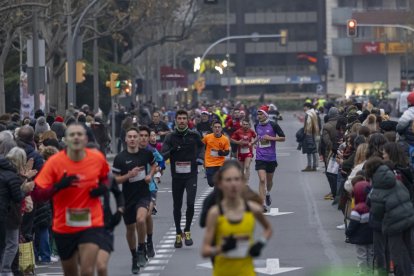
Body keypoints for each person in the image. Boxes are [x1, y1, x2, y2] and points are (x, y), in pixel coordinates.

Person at [33, 123, 110, 276]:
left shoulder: (96, 158)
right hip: (64, 225)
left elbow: (106, 179)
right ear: (66, 139)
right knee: (71, 272)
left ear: (86, 139)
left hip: (92, 222)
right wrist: (58, 186)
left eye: (79, 134)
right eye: (72, 134)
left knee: (87, 270)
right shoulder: (55, 162)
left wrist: (102, 188)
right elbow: (37, 194)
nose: (76, 137)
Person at [201, 160, 272, 276]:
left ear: (243, 182)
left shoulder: (253, 208)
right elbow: (205, 251)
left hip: (246, 272)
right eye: (228, 180)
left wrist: (260, 244)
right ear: (220, 183)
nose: (233, 184)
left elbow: (268, 229)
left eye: (236, 179)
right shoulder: (215, 212)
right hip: (222, 271)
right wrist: (222, 248)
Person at [112, 126, 157, 273]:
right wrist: (128, 176)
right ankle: (134, 258)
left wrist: (150, 175)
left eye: (134, 137)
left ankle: (141, 248)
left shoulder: (146, 154)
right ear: (125, 139)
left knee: (141, 219)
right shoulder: (120, 158)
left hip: (143, 195)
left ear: (139, 139)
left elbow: (154, 165)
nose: (132, 139)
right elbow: (114, 180)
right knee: (130, 229)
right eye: (129, 137)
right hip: (127, 197)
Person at [161, 110, 205, 248]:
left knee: (191, 203)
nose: (181, 121)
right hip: (177, 176)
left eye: (183, 118)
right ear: (175, 121)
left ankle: (187, 230)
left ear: (187, 120)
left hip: (191, 174)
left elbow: (202, 147)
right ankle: (178, 233)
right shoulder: (170, 137)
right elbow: (163, 155)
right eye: (179, 118)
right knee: (177, 205)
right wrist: (172, 151)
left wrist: (199, 158)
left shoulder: (194, 135)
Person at [366, 157, 414, 276]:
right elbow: (407, 194)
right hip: (408, 218)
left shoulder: (377, 188)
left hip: (393, 224)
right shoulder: (395, 180)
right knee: (410, 249)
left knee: (397, 253)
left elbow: (376, 211)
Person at [253, 105, 286, 212]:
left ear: (266, 114)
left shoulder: (273, 125)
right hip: (260, 156)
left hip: (271, 157)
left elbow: (283, 138)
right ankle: (262, 204)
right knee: (262, 180)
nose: (259, 116)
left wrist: (271, 138)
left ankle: (267, 193)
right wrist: (254, 142)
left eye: (261, 113)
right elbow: (258, 136)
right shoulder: (256, 125)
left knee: (269, 181)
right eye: (258, 114)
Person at [345, 180, 373, 275]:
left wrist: (348, 232)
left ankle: (363, 272)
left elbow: (353, 224)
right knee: (370, 255)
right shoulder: (372, 206)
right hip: (372, 236)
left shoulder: (357, 209)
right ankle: (370, 271)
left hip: (360, 238)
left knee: (362, 256)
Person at [203, 121, 230, 187]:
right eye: (215, 127)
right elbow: (202, 147)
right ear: (212, 128)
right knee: (211, 183)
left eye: (218, 127)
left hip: (220, 163)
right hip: (209, 163)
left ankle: (217, 195)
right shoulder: (207, 137)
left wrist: (221, 152)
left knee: (218, 182)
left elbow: (227, 152)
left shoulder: (225, 139)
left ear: (221, 128)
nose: (217, 129)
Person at [301, 103, 319, 171]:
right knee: (314, 150)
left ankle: (309, 166)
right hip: (314, 133)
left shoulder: (309, 114)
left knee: (309, 150)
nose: (304, 108)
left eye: (304, 107)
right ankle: (314, 166)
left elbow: (308, 124)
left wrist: (306, 133)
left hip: (309, 133)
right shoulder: (314, 112)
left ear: (308, 107)